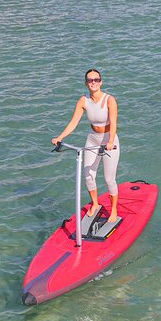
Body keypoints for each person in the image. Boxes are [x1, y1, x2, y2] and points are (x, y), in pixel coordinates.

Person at [51, 69, 120, 221]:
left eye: (96, 79)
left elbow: (114, 123)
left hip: (110, 139)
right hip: (93, 139)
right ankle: (95, 204)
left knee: (109, 179)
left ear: (101, 82)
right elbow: (74, 122)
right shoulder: (83, 101)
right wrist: (60, 137)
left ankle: (114, 209)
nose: (93, 82)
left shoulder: (109, 100)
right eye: (90, 80)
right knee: (88, 175)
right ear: (86, 83)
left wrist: (110, 141)